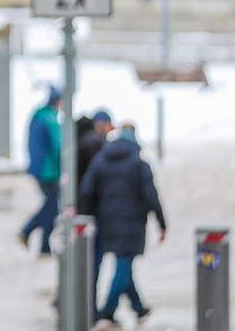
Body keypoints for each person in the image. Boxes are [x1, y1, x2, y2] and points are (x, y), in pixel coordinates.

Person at [81, 123, 166, 327]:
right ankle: (107, 312)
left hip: (106, 221)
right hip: (132, 223)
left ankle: (138, 307)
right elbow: (151, 196)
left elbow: (86, 190)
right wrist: (162, 224)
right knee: (123, 265)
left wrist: (87, 219)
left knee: (123, 266)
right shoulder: (139, 164)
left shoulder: (101, 159)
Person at [19, 86, 62, 255]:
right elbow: (58, 146)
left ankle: (41, 243)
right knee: (52, 208)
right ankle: (29, 233)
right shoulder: (50, 119)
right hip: (48, 170)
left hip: (39, 168)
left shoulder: (38, 116)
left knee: (50, 206)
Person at [77, 109, 116, 294]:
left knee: (86, 260)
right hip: (94, 212)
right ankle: (87, 307)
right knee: (92, 261)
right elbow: (93, 184)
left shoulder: (84, 140)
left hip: (86, 211)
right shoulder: (95, 145)